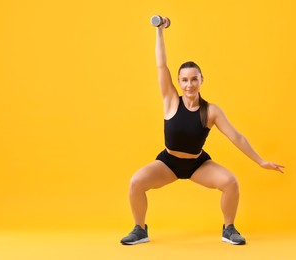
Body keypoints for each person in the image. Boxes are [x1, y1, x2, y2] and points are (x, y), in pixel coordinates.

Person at [120, 17, 284, 246]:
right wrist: (160, 31)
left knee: (230, 182)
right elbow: (161, 65)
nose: (189, 85)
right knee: (136, 182)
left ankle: (229, 229)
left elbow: (236, 137)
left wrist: (260, 161)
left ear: (201, 80)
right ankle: (140, 229)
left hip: (198, 165)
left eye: (194, 79)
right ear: (178, 81)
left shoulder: (211, 111)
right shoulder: (170, 101)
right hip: (169, 163)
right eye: (185, 80)